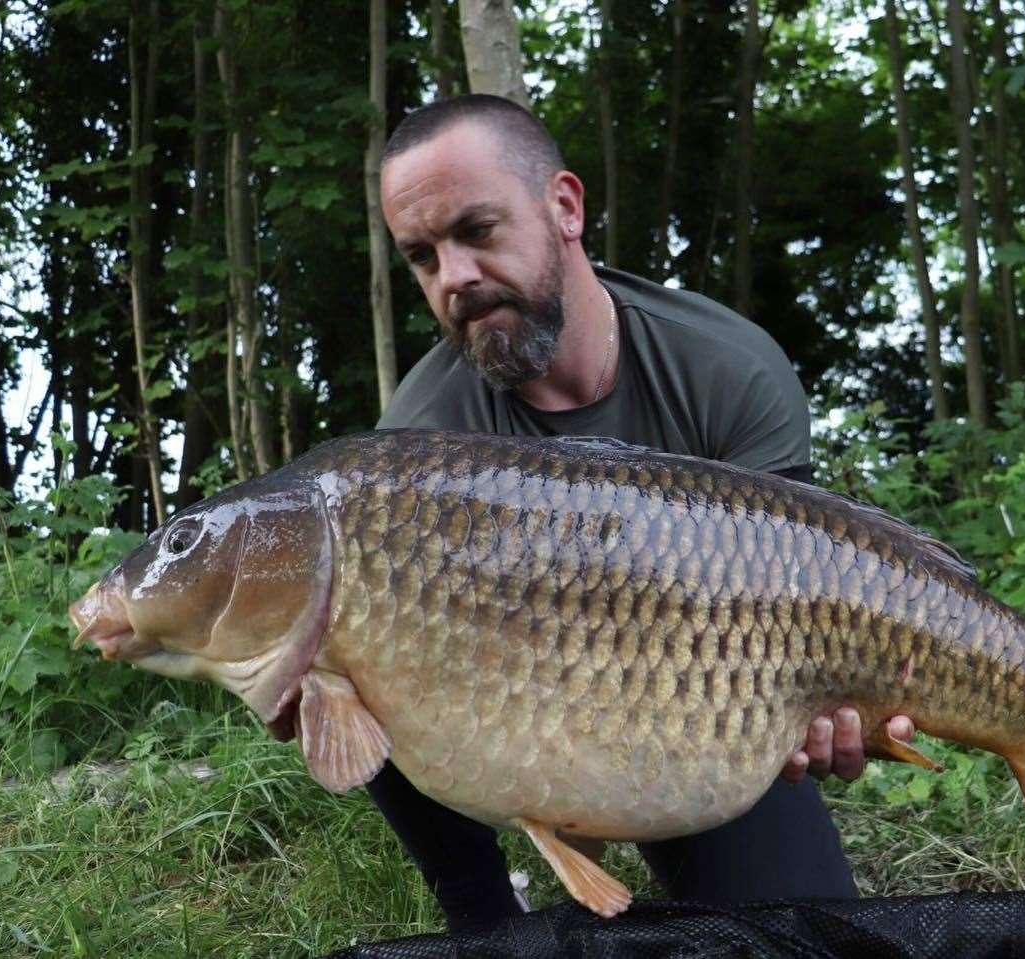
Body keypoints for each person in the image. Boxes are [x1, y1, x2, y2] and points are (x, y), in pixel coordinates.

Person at [371, 93, 917, 933]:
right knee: (353, 639)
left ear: (564, 207)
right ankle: (484, 913)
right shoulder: (418, 438)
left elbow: (806, 603)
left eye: (476, 231)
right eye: (422, 257)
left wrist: (830, 706)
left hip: (698, 713)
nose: (455, 280)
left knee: (797, 932)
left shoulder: (727, 370)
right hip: (506, 716)